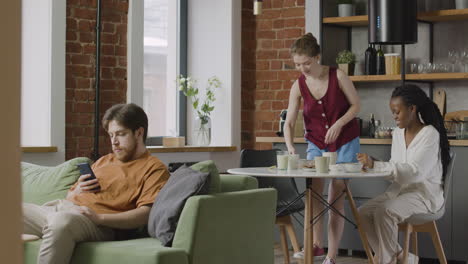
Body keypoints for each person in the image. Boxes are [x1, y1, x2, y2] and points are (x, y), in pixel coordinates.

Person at [23, 103, 170, 264]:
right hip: (60, 208)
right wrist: (76, 190)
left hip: (97, 223)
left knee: (61, 222)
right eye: (111, 135)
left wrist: (100, 218)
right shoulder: (104, 161)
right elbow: (69, 196)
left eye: (120, 134)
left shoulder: (154, 168)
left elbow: (145, 214)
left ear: (139, 133)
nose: (114, 142)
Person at [284, 32, 361, 264]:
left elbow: (356, 105)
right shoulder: (298, 85)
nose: (303, 68)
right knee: (313, 195)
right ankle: (315, 245)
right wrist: (290, 147)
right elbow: (288, 122)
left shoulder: (338, 76)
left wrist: (339, 123)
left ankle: (331, 255)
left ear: (317, 57)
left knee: (335, 195)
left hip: (345, 141)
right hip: (316, 143)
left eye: (306, 63)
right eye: (298, 64)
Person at [357, 84, 450, 264]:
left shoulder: (429, 134)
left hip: (424, 196)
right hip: (400, 192)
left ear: (412, 109)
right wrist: (375, 163)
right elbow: (396, 165)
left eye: (397, 111)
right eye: (392, 112)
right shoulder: (398, 134)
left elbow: (414, 173)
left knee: (384, 211)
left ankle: (385, 260)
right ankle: (401, 257)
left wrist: (377, 166)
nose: (394, 116)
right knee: (362, 212)